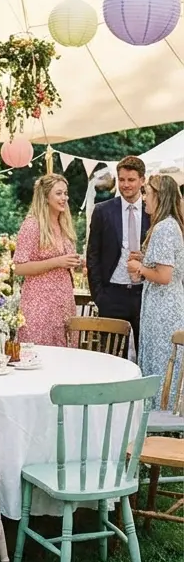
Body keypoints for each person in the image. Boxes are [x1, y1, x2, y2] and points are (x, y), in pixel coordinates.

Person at [127, 174, 184, 407]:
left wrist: (139, 268)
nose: (143, 199)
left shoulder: (164, 228)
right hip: (162, 306)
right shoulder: (169, 226)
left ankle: (161, 416)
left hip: (164, 310)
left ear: (159, 197)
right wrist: (145, 260)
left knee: (160, 364)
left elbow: (164, 276)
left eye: (147, 193)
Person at [87, 156, 149, 350]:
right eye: (121, 180)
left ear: (142, 180)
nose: (125, 185)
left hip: (144, 294)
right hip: (111, 294)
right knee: (111, 356)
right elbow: (93, 255)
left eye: (131, 180)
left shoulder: (153, 212)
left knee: (145, 354)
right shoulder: (102, 211)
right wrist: (100, 296)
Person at [13, 174, 79, 347]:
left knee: (65, 356)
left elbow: (65, 261)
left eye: (65, 193)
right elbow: (19, 267)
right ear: (45, 197)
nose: (64, 198)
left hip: (63, 301)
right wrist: (57, 262)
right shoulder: (32, 225)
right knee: (38, 353)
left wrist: (77, 262)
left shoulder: (63, 224)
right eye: (59, 193)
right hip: (39, 303)